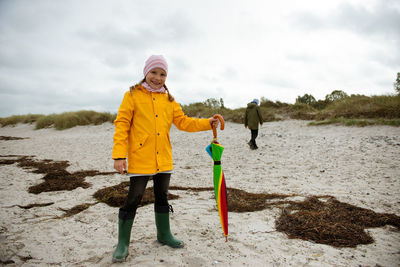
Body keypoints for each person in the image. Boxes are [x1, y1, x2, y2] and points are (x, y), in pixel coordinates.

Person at [111, 55, 221, 262]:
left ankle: (164, 234)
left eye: (162, 74)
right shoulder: (132, 95)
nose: (157, 77)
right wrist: (119, 155)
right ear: (146, 73)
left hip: (164, 158)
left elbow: (184, 122)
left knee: (162, 196)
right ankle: (123, 243)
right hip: (140, 157)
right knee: (133, 199)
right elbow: (122, 124)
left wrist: (208, 122)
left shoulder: (169, 100)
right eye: (154, 72)